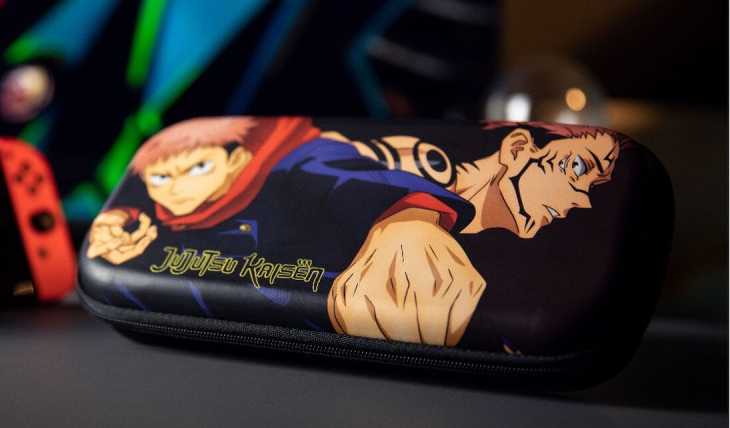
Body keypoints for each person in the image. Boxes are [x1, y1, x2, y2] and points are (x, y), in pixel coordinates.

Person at [83, 116, 483, 338]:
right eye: (161, 178)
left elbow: (348, 175)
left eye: (198, 167)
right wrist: (125, 234)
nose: (178, 187)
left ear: (237, 161)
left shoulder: (294, 161)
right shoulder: (150, 221)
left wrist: (407, 222)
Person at [323, 122, 623, 346]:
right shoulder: (423, 163)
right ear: (518, 148)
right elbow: (324, 153)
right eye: (578, 166)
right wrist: (409, 220)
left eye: (594, 185)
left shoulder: (500, 272)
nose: (583, 199)